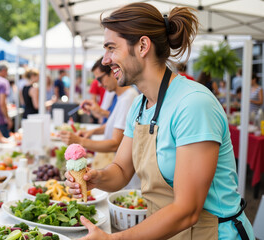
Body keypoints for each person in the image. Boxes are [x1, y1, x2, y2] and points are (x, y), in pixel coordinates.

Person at [65, 3, 254, 239]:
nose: (105, 60)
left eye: (111, 48)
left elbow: (187, 211)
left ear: (143, 46)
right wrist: (96, 178)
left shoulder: (193, 104)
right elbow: (122, 170)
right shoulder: (140, 105)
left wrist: (114, 238)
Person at [60, 57, 139, 153]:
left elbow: (115, 144)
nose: (99, 85)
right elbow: (114, 125)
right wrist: (91, 132)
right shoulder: (122, 96)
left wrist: (79, 141)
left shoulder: (127, 98)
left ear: (113, 72)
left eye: (100, 79)